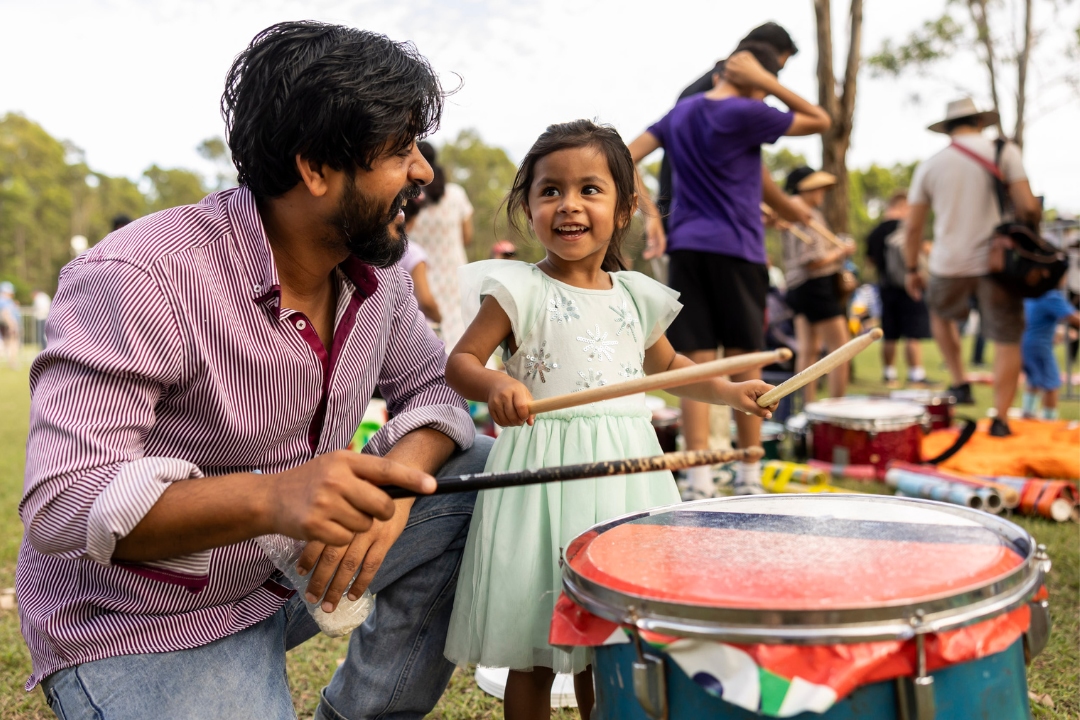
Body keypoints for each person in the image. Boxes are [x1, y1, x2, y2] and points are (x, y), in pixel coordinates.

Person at [18, 22, 493, 720]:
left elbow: (433, 387)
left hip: (288, 574)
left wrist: (394, 494)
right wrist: (276, 497)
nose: (422, 170)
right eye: (400, 150)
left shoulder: (375, 273)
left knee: (477, 472)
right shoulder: (143, 276)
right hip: (142, 625)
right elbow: (63, 501)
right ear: (315, 169)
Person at [442, 120, 777, 719]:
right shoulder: (520, 289)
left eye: (589, 190)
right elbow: (462, 361)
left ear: (623, 208)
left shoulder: (634, 295)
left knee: (614, 636)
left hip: (626, 479)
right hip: (542, 480)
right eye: (550, 191)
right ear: (530, 206)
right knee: (534, 643)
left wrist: (730, 392)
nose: (569, 205)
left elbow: (671, 369)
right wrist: (495, 382)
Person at [628, 44, 830, 496]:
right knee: (746, 361)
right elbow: (821, 121)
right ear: (747, 71)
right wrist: (771, 85)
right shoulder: (747, 111)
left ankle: (699, 479)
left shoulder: (681, 113)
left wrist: (654, 216)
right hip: (738, 250)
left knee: (695, 365)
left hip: (687, 249)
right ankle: (749, 476)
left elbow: (625, 155)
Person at [904, 98, 1041, 435]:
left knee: (940, 315)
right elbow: (1026, 207)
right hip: (997, 264)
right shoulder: (1003, 152)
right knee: (1007, 336)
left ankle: (960, 380)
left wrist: (911, 268)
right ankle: (1000, 418)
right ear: (980, 122)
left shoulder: (931, 165)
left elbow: (912, 227)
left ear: (948, 128)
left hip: (947, 263)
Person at [656, 22, 806, 234]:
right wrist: (784, 206)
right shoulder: (720, 98)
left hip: (682, 219)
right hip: (700, 229)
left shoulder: (699, 90)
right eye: (774, 71)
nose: (770, 85)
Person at [780, 167, 854, 402]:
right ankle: (835, 407)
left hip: (798, 287)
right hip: (814, 285)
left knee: (808, 349)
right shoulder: (802, 211)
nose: (822, 192)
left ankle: (807, 407)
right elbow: (812, 261)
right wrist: (840, 252)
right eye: (818, 186)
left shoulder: (789, 209)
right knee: (841, 348)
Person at [409, 141, 475, 351]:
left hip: (419, 280)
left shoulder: (410, 197)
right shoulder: (455, 195)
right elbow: (467, 237)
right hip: (455, 279)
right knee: (463, 337)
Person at [865, 189, 930, 387]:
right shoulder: (906, 228)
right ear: (902, 206)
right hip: (908, 285)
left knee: (889, 333)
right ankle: (916, 373)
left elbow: (870, 261)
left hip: (886, 287)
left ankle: (889, 374)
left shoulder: (874, 233)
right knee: (912, 332)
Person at [1021, 281, 1080, 419]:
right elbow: (1074, 318)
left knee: (1034, 380)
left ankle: (1028, 414)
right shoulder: (1051, 295)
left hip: (1024, 343)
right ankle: (1049, 421)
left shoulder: (1032, 290)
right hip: (1039, 345)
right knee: (1051, 383)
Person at [401, 192, 443, 326]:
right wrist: (439, 317)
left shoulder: (375, 250)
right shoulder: (413, 252)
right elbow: (425, 301)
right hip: (412, 330)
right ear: (412, 220)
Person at [0, 281, 21, 368]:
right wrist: (12, 325)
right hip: (9, 324)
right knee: (13, 343)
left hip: (7, 324)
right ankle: (12, 362)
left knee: (7, 343)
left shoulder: (6, 301)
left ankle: (11, 362)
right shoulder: (4, 301)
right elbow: (5, 313)